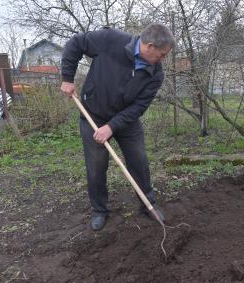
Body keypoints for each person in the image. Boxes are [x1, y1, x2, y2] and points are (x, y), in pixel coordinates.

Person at [60, 23, 175, 231]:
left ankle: (147, 204)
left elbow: (139, 106)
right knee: (96, 166)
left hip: (126, 120)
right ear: (149, 46)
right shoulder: (110, 40)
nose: (163, 59)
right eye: (162, 54)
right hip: (93, 114)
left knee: (139, 160)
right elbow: (76, 43)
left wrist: (112, 127)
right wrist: (67, 78)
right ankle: (100, 210)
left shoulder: (155, 74)